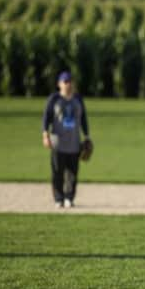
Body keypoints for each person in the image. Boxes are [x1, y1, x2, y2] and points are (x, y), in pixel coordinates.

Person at [42, 71, 91, 208]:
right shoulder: (54, 99)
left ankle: (69, 198)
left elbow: (83, 119)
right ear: (59, 84)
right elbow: (46, 118)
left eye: (70, 81)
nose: (68, 84)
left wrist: (87, 136)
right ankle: (59, 198)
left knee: (72, 173)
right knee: (57, 172)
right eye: (65, 81)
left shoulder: (78, 99)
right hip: (58, 143)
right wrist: (45, 135)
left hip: (74, 143)